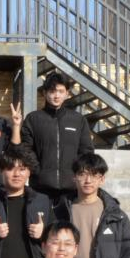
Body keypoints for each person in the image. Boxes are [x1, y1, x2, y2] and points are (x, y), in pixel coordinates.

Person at [20, 72, 93, 202]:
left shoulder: (78, 120)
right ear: (44, 93)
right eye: (52, 91)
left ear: (67, 94)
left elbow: (86, 151)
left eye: (61, 91)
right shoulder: (33, 119)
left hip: (71, 189)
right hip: (40, 188)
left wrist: (78, 173)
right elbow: (26, 149)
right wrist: (38, 170)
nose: (56, 95)